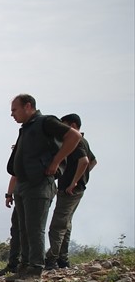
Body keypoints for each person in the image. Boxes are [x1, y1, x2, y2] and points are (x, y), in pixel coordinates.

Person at [4, 94, 80, 282]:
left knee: (35, 229)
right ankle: (24, 268)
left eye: (15, 110)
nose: (12, 114)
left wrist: (56, 162)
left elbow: (74, 136)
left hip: (39, 184)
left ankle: (35, 272)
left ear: (28, 106)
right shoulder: (27, 127)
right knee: (24, 229)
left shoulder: (46, 122)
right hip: (24, 183)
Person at [45, 113, 97, 270]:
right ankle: (63, 258)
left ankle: (51, 260)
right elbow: (93, 161)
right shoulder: (83, 141)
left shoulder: (76, 142)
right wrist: (82, 178)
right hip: (74, 189)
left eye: (65, 125)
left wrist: (74, 182)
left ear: (73, 126)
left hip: (70, 190)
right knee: (66, 224)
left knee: (58, 225)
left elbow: (85, 161)